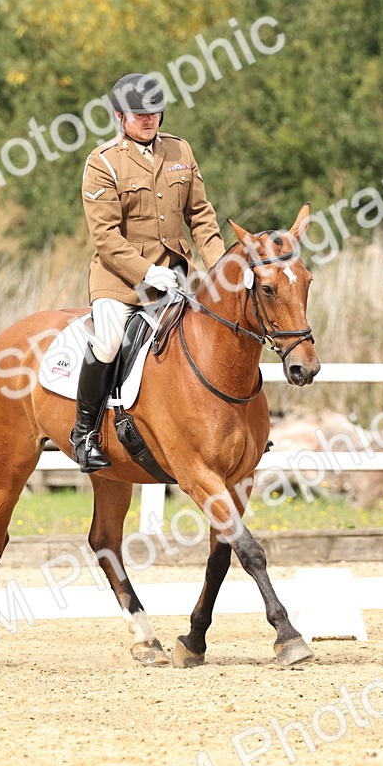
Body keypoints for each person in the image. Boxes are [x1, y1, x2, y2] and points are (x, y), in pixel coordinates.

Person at [71, 72, 226, 472]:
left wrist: (222, 268)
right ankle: (84, 433)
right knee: (108, 342)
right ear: (119, 116)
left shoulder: (180, 150)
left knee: (220, 331)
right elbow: (105, 237)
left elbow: (200, 216)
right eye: (139, 113)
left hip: (177, 276)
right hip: (121, 281)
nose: (148, 119)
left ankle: (232, 426)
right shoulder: (103, 162)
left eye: (154, 112)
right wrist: (146, 272)